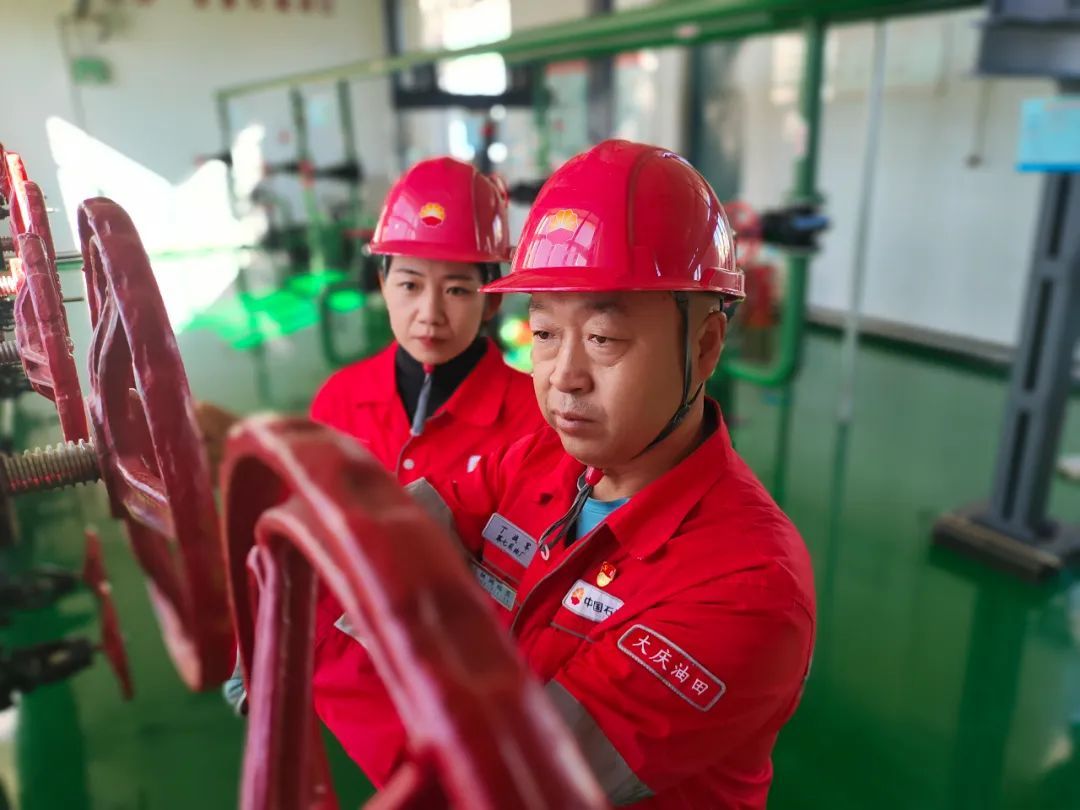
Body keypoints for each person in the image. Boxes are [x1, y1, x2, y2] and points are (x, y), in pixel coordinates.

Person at [314, 140, 816, 808]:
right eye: (545, 335)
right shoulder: (540, 461)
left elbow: (512, 783)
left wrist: (309, 644)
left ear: (703, 348)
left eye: (603, 339)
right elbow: (379, 542)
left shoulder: (746, 589)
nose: (563, 378)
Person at [216, 156, 544, 729]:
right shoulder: (340, 398)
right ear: (382, 283)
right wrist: (257, 643)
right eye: (410, 284)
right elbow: (305, 537)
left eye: (457, 290)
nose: (429, 314)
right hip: (352, 677)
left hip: (467, 688)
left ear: (492, 300)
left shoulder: (534, 419)